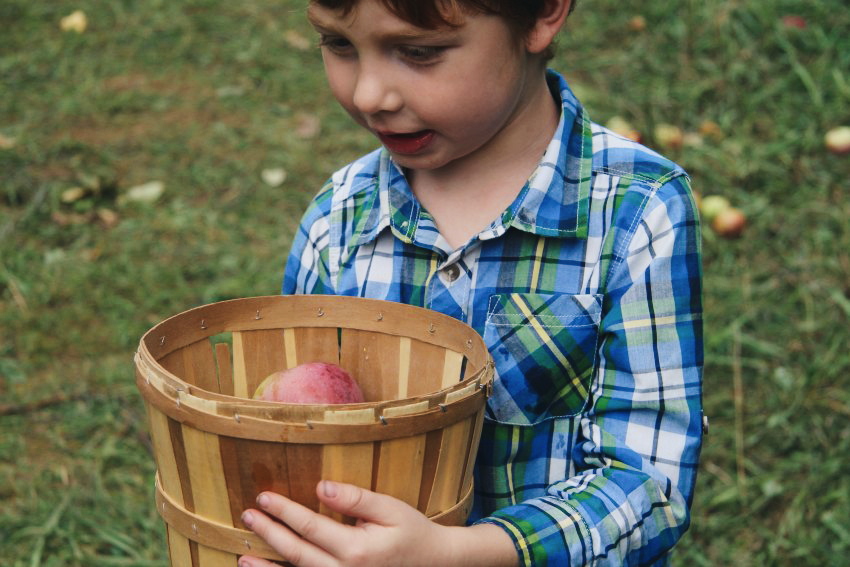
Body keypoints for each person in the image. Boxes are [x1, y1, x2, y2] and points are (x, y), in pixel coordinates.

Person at [239, 0, 704, 564]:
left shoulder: (636, 212)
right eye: (339, 44)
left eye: (418, 51)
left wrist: (461, 554)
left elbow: (649, 484)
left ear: (541, 15)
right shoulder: (339, 219)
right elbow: (291, 435)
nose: (368, 95)